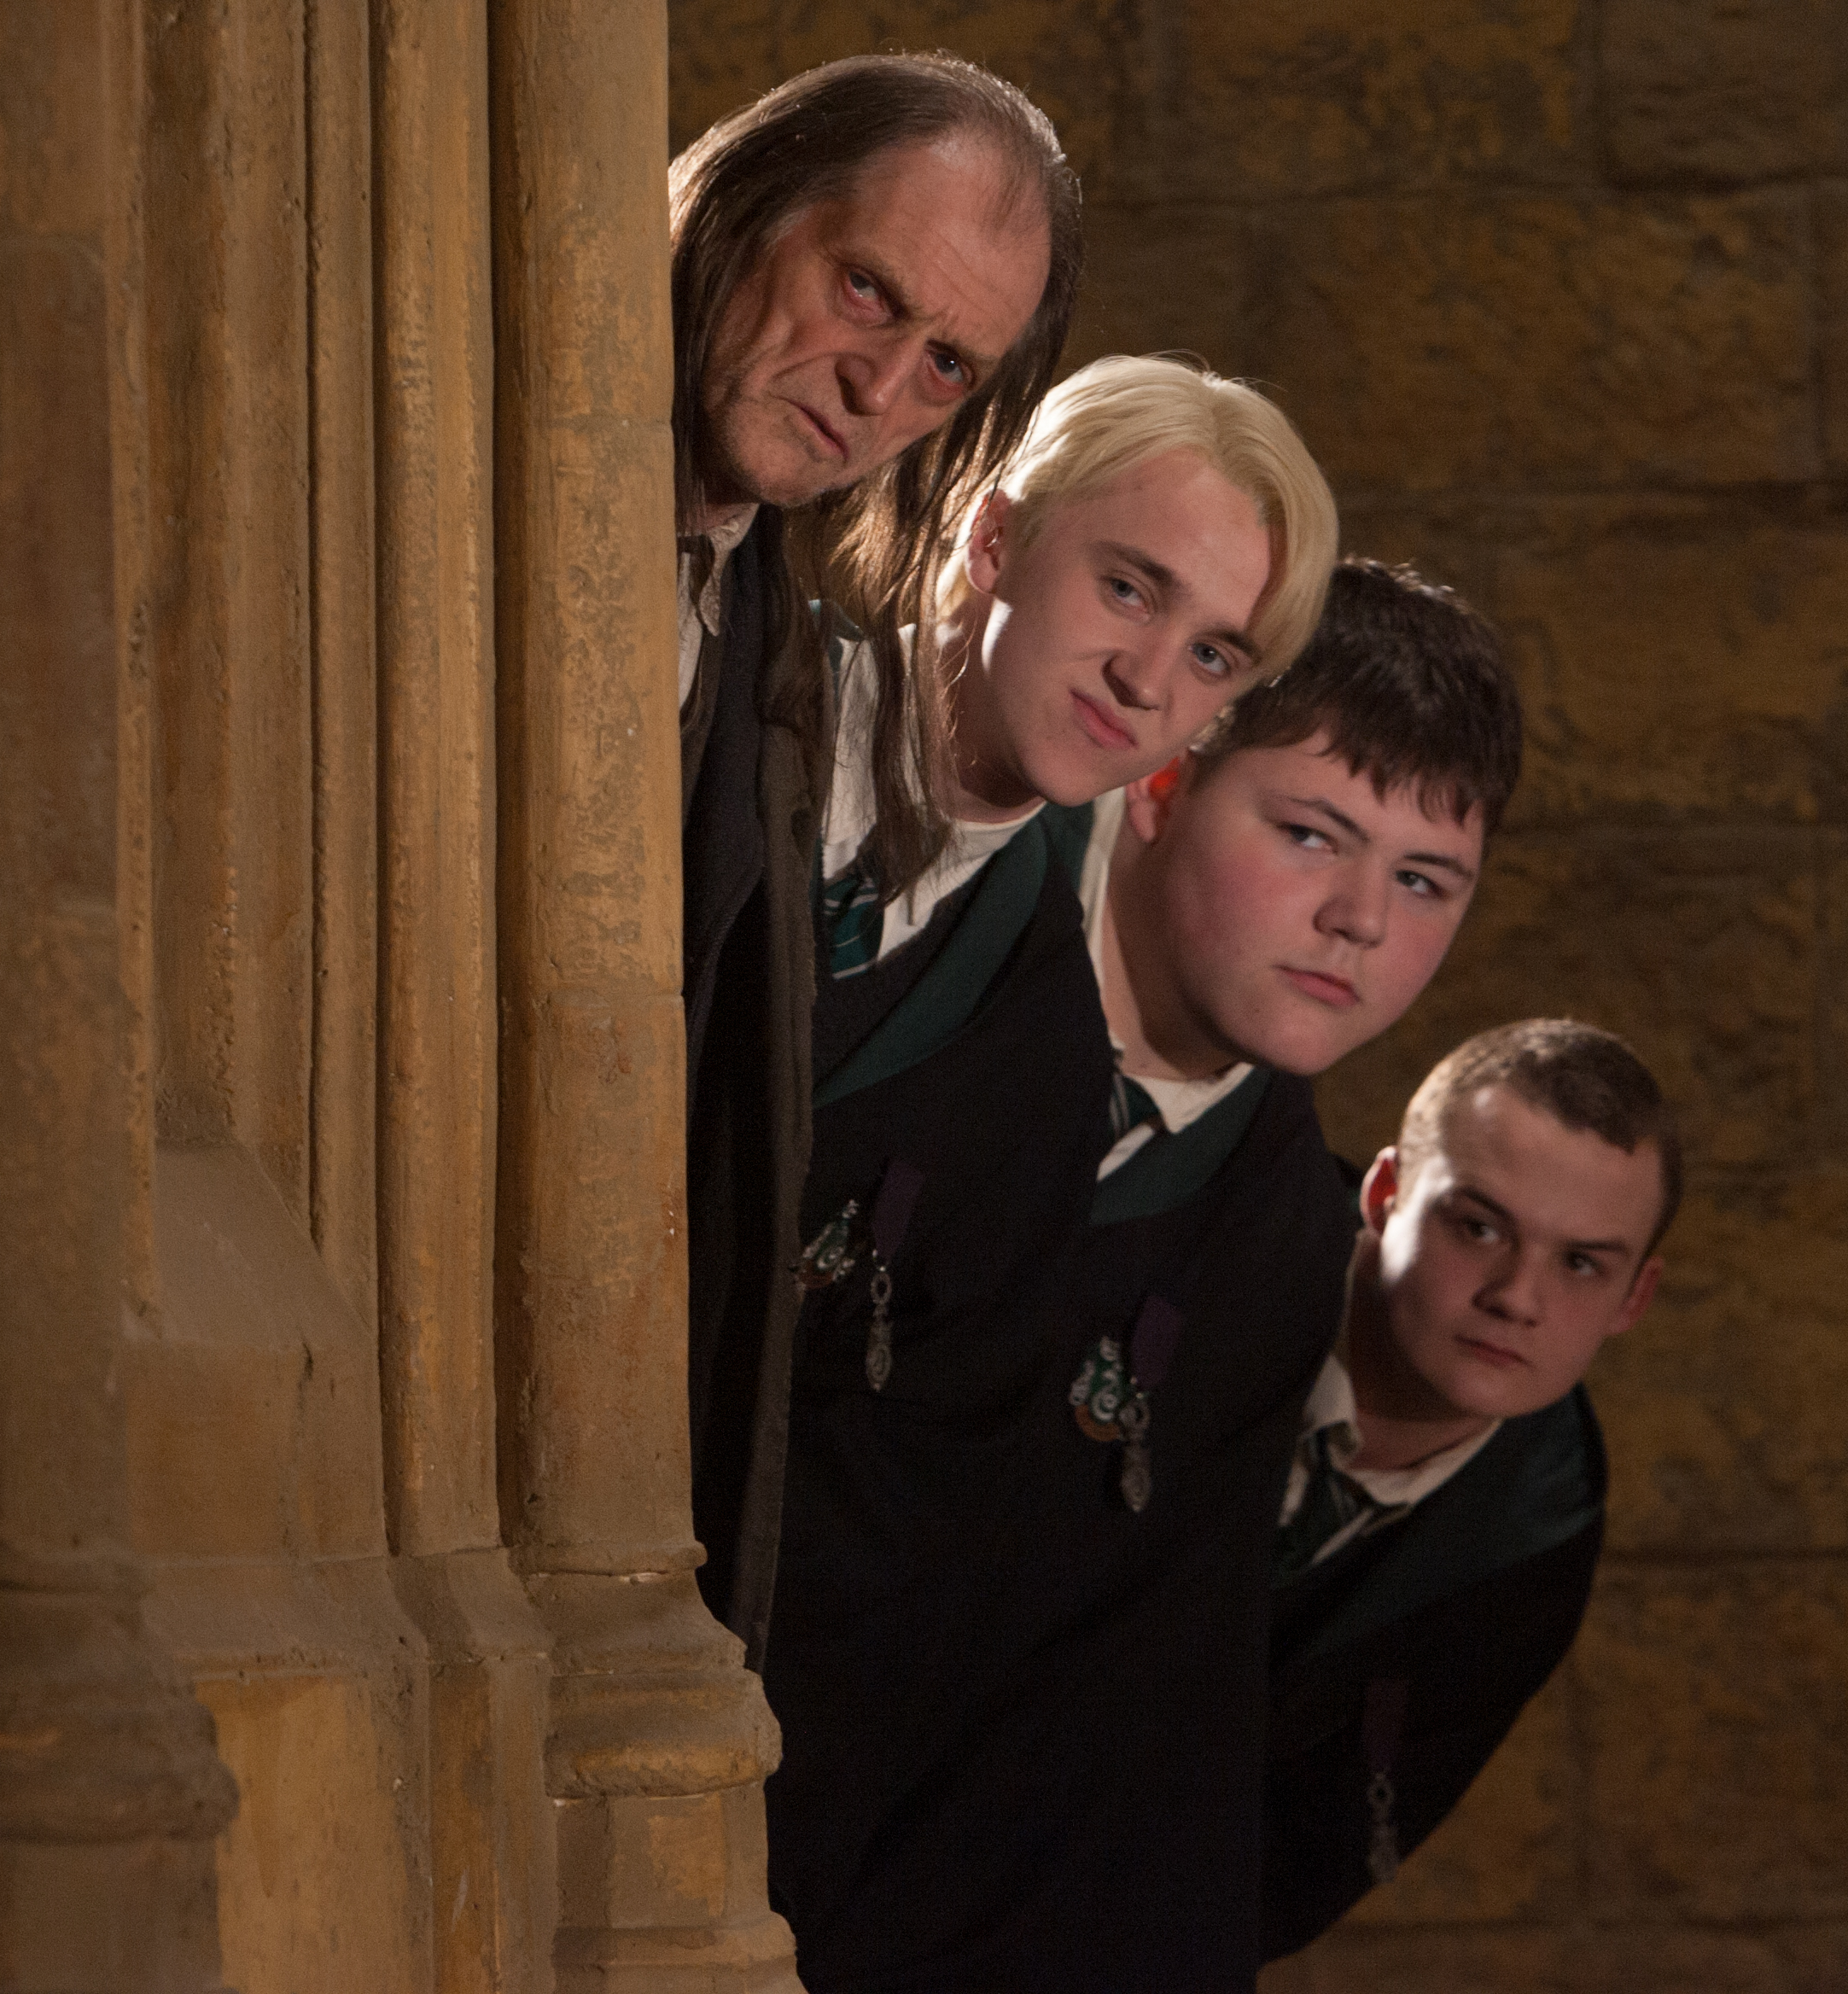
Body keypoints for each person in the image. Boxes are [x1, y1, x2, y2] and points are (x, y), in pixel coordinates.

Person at [756, 557, 1522, 1992]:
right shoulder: (915, 922)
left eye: (1421, 880)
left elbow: (1119, 1772)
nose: (1359, 921)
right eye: (1310, 835)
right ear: (1165, 778)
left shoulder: (1285, 1253)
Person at [693, 352, 1336, 1656]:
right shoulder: (714, 691)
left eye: (1211, 652)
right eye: (1127, 588)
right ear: (996, 538)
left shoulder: (1043, 1060)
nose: (1147, 678)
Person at [667, 54, 1081, 1653]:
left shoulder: (766, 639)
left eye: (942, 367)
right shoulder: (476, 475)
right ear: (743, 199)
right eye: (862, 289)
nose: (874, 383)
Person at [1259, 1018, 1679, 1962]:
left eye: (1580, 1262)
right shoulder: (1197, 1268)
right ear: (1385, 1194)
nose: (1518, 1297)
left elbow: (1289, 1873)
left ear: (1633, 1300)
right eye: (1479, 1226)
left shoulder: (1535, 1533)